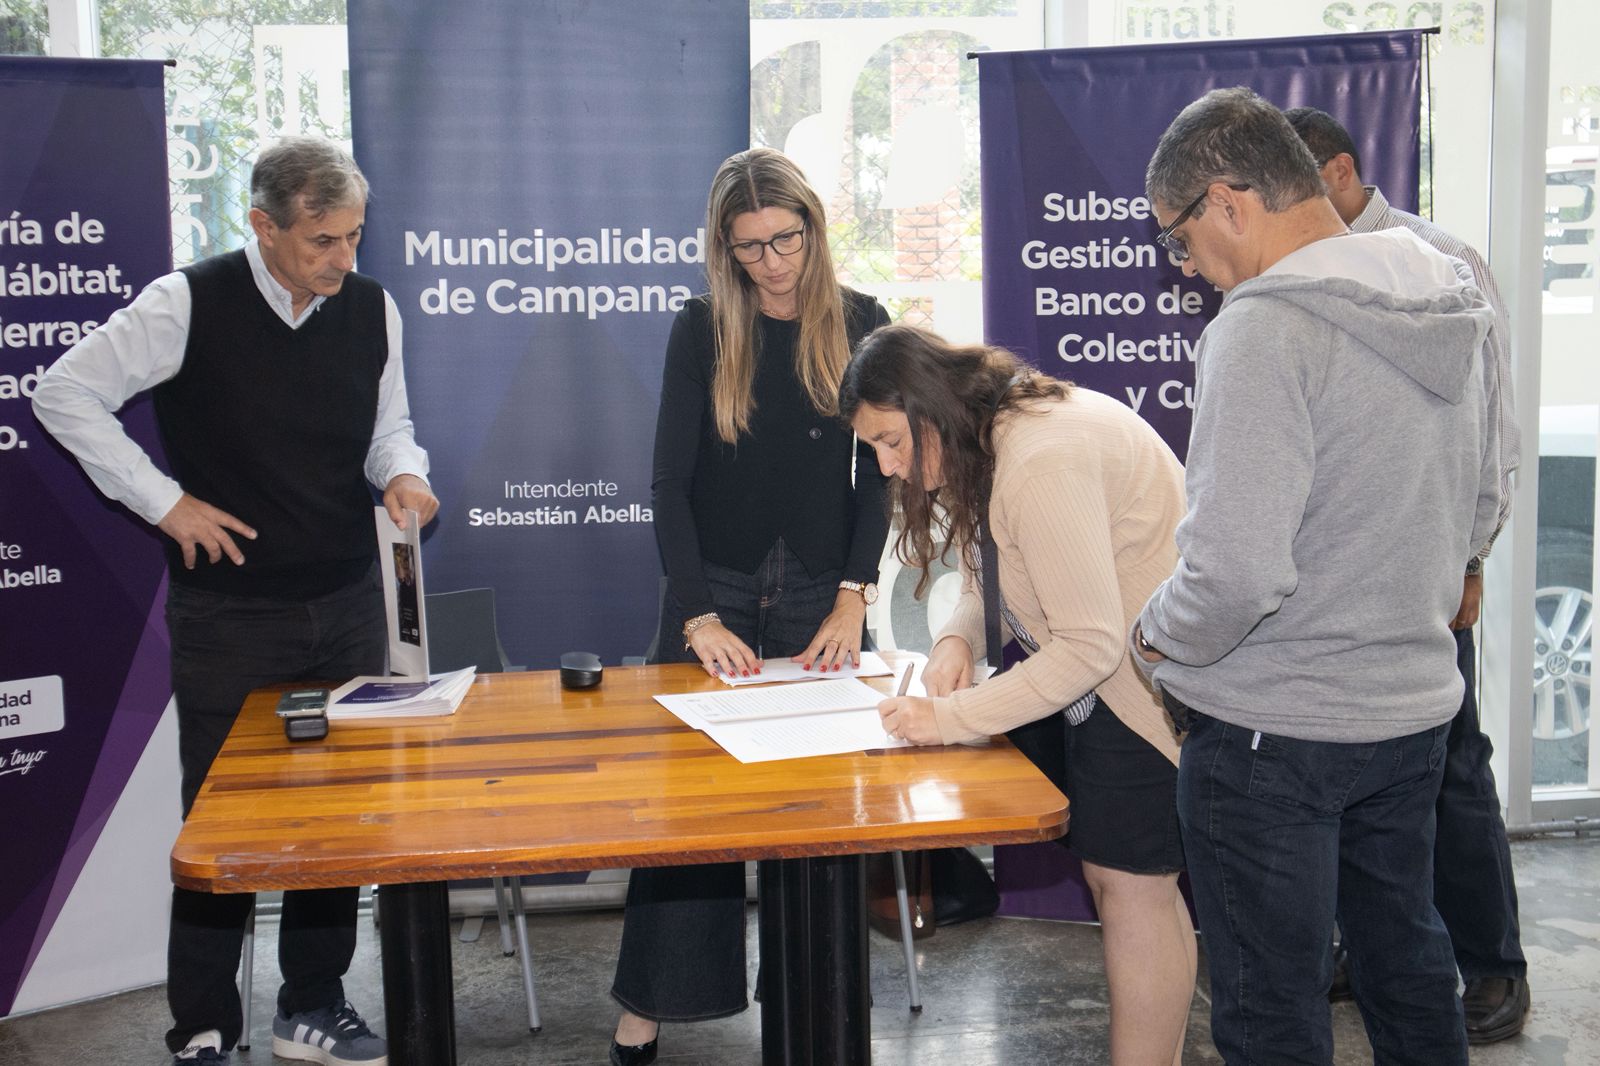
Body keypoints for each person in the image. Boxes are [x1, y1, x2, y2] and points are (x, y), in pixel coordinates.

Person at [32, 136, 438, 1066]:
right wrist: (163, 503)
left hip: (347, 599)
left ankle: (312, 1006)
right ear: (263, 225)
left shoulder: (373, 308)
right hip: (230, 616)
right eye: (323, 240)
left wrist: (405, 475)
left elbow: (391, 429)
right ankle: (203, 1025)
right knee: (220, 823)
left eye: (354, 237)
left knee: (334, 814)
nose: (343, 258)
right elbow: (65, 393)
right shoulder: (187, 302)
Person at [1132, 87, 1501, 1065]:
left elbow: (1238, 570)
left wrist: (1153, 635)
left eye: (1179, 239)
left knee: (1271, 1007)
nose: (1186, 266)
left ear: (1227, 202)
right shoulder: (1443, 290)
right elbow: (1483, 495)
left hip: (1275, 730)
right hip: (1411, 709)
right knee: (1407, 965)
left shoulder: (1261, 328)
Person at [608, 147, 891, 1066]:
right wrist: (697, 616)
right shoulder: (701, 329)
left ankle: (816, 1004)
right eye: (750, 248)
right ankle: (648, 1009)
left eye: (786, 240)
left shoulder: (864, 322)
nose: (772, 263)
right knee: (688, 812)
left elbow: (879, 478)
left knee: (822, 813)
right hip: (713, 591)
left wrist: (854, 595)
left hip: (823, 593)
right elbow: (668, 483)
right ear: (723, 250)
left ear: (814, 227)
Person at [850, 325, 1195, 1066]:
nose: (888, 465)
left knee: (1133, 892)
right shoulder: (1000, 434)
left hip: (1144, 695)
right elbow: (1003, 568)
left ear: (930, 406)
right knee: (1128, 889)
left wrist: (949, 718)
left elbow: (1089, 645)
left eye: (891, 441)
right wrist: (957, 638)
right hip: (1121, 686)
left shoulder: (1040, 458)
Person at [1286, 106, 1529, 1043]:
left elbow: (1493, 428)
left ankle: (1493, 962)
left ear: (1342, 172)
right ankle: (1369, 944)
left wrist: (1471, 557)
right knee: (1356, 777)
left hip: (1428, 564)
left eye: (1302, 185)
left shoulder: (1443, 261)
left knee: (1451, 765)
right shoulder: (1297, 275)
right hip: (1337, 578)